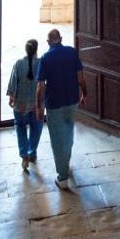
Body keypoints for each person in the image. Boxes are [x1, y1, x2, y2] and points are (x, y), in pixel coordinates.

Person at [36, 27, 86, 189]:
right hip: (72, 99)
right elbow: (80, 77)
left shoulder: (45, 58)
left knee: (57, 139)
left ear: (49, 41)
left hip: (54, 103)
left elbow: (41, 86)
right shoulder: (72, 53)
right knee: (68, 133)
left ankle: (62, 176)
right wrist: (84, 93)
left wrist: (39, 106)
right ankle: (66, 162)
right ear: (61, 38)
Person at [6, 38, 43, 172]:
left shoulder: (19, 64)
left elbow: (13, 83)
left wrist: (12, 97)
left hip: (20, 104)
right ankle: (32, 151)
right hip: (36, 104)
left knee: (20, 127)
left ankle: (24, 155)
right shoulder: (41, 64)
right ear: (36, 50)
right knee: (37, 126)